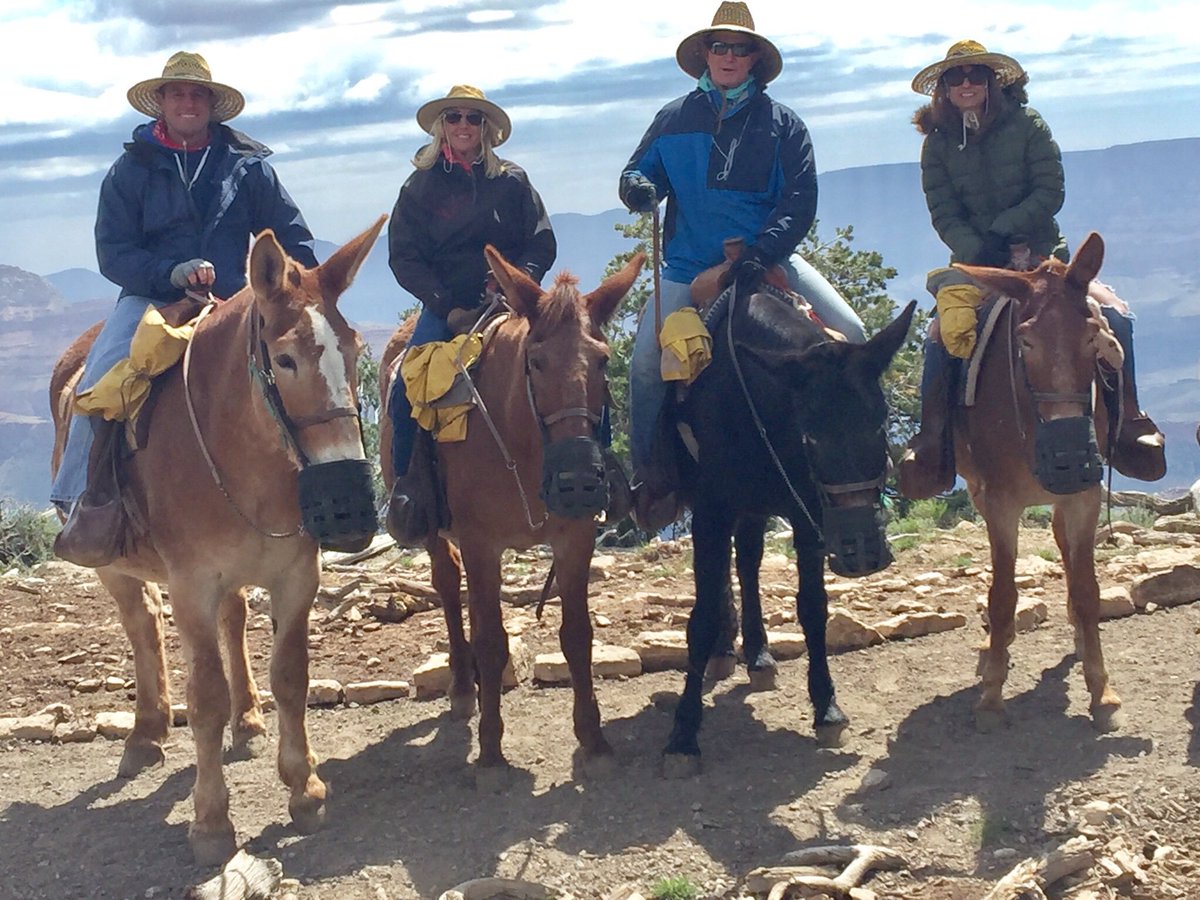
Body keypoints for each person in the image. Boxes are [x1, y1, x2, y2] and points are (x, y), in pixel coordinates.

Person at [51, 50, 319, 563]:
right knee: (100, 377)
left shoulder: (247, 168)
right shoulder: (130, 170)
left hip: (236, 300)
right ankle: (82, 502)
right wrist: (169, 274)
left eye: (198, 94)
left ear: (212, 105)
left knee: (311, 366)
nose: (188, 102)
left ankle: (328, 494)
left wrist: (291, 287)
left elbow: (292, 236)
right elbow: (114, 252)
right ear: (163, 104)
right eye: (178, 93)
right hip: (151, 298)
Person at [618, 1, 867, 531]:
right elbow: (638, 174)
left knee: (853, 332)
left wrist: (760, 254)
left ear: (756, 58)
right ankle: (651, 475)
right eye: (719, 46)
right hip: (688, 267)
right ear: (705, 55)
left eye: (740, 48)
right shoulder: (671, 119)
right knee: (644, 365)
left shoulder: (784, 125)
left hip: (769, 259)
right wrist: (636, 188)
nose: (729, 56)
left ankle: (868, 475)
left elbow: (799, 201)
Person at [899, 39, 1166, 498]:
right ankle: (934, 441)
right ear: (942, 89)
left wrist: (1007, 230)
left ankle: (1129, 424)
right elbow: (941, 210)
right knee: (941, 334)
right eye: (955, 78)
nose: (966, 84)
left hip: (1045, 256)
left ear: (992, 82)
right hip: (978, 263)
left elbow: (1050, 190)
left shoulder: (1028, 125)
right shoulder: (937, 145)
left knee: (1115, 316)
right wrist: (979, 248)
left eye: (975, 75)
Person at [385, 85, 557, 543]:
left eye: (473, 118)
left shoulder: (513, 181)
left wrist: (517, 281)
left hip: (511, 300)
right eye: (455, 117)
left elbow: (541, 241)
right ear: (442, 125)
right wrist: (446, 305)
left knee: (573, 361)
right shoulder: (419, 187)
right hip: (447, 306)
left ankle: (599, 474)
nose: (464, 125)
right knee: (406, 387)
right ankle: (410, 489)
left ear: (487, 129)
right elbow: (404, 257)